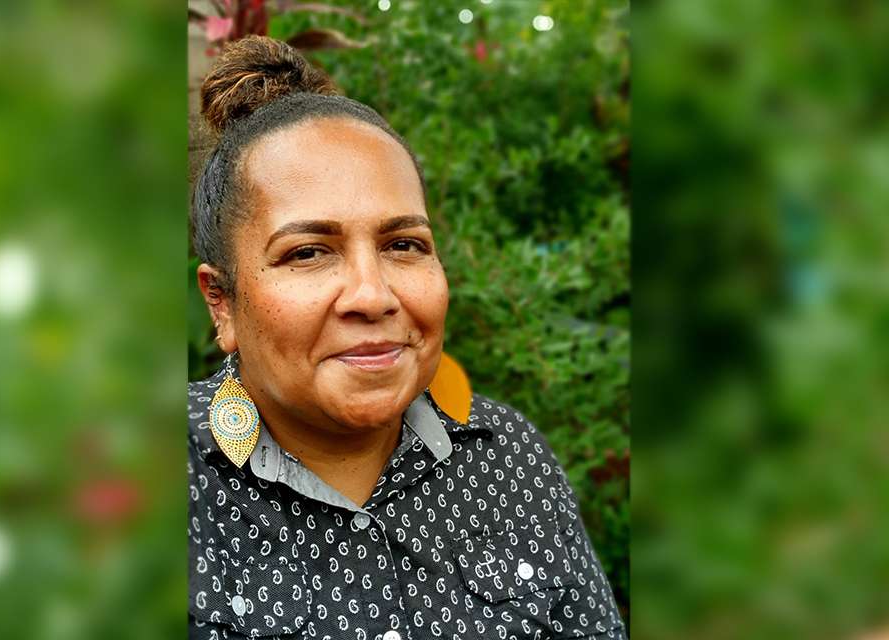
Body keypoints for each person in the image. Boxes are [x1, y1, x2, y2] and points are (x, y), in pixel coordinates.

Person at [188, 35, 626, 640]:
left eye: (403, 245)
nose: (373, 295)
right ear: (223, 304)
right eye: (309, 252)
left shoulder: (510, 462)